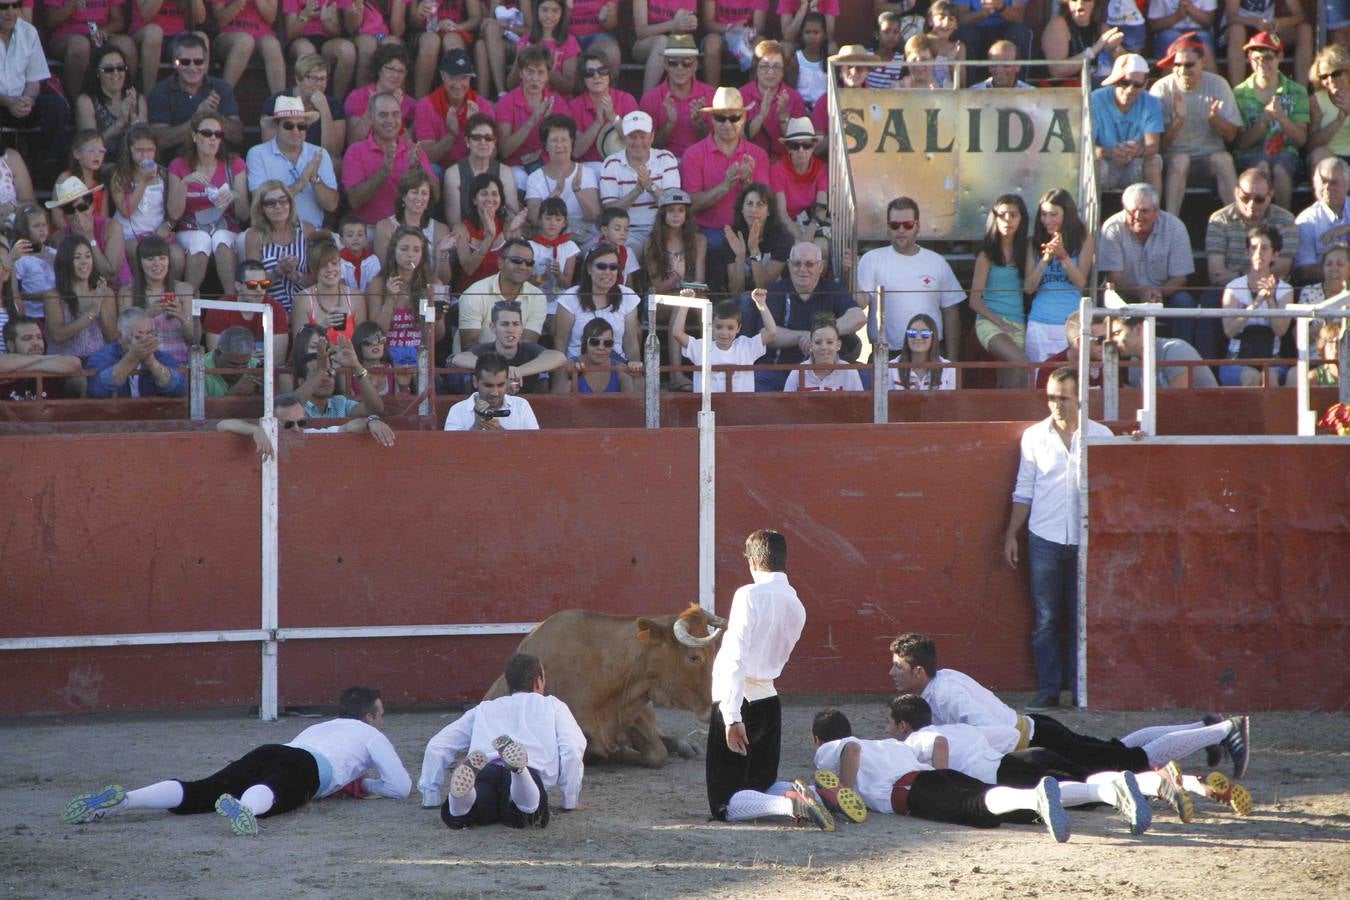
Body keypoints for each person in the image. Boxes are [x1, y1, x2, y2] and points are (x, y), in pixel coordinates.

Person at [887, 632, 1251, 779]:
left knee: (1132, 763)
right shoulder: (942, 681)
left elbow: (992, 731)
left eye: (898, 666)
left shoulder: (945, 693)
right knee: (1119, 750)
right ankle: (1206, 726)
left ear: (919, 670)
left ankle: (1224, 730)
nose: (892, 672)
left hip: (1037, 741)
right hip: (1037, 729)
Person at [62, 686, 411, 837]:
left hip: (271, 749)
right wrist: (362, 784)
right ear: (368, 716)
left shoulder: (322, 724)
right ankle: (246, 809)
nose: (383, 722)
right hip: (308, 767)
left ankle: (126, 800)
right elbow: (401, 786)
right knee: (275, 790)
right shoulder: (371, 736)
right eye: (381, 715)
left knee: (203, 790)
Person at [887, 694, 1182, 829]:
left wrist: (945, 777)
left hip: (1008, 772)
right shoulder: (957, 727)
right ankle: (1153, 782)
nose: (888, 730)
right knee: (1088, 778)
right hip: (1028, 753)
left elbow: (937, 745)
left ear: (903, 726)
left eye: (890, 725)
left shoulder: (917, 740)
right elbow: (1005, 734)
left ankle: (1137, 787)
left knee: (1073, 794)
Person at [1002, 367, 1114, 710]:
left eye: (1063, 398)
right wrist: (1011, 534)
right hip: (1044, 536)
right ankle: (1050, 689)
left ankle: (1080, 690)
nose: (1057, 405)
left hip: (1085, 539)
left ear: (1081, 397)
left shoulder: (1102, 436)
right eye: (1051, 397)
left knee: (1079, 617)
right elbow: (1024, 489)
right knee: (1048, 618)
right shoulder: (1034, 437)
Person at [809, 707, 1069, 841]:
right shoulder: (883, 744)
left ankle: (1035, 799)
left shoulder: (830, 749)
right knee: (992, 799)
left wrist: (843, 793)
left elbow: (851, 750)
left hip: (910, 788)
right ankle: (1038, 803)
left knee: (975, 805)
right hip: (937, 775)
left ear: (817, 739)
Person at [706, 529, 807, 822]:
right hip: (769, 700)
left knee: (725, 802)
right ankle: (814, 793)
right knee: (761, 783)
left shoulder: (747, 595)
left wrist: (732, 716)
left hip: (739, 700)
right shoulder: (796, 605)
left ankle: (789, 806)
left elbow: (736, 658)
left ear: (752, 561)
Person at [418, 653, 585, 828]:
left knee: (474, 806)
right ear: (538, 681)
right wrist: (570, 799)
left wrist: (431, 794)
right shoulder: (553, 705)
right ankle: (518, 771)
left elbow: (437, 746)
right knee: (527, 813)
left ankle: (460, 803)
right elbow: (573, 748)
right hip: (532, 771)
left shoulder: (485, 708)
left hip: (486, 769)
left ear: (508, 682)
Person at [741, 241, 865, 392]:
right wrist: (803, 336)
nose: (802, 269)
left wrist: (819, 334)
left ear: (820, 266)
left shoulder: (833, 289)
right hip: (779, 369)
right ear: (788, 265)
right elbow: (766, 334)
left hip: (827, 372)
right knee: (756, 382)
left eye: (809, 264)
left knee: (865, 377)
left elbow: (858, 317)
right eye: (796, 263)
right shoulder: (776, 291)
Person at [1202, 167, 1297, 359]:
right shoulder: (1219, 220)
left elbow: (1283, 267)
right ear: (1236, 192)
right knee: (1208, 303)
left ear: (1270, 195)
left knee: (1290, 299)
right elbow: (1216, 273)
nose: (1251, 204)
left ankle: (1288, 363)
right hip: (1230, 287)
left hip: (1275, 285)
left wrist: (1258, 282)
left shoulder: (1286, 219)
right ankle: (1208, 368)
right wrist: (1249, 277)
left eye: (1259, 199)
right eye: (1245, 197)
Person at [856, 196, 965, 362]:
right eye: (894, 225)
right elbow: (860, 303)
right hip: (884, 354)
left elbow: (951, 313)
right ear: (887, 228)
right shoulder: (870, 259)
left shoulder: (937, 262)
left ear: (917, 226)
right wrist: (849, 272)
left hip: (932, 354)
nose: (901, 230)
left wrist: (952, 361)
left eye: (907, 225)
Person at [1097, 182, 1199, 349]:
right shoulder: (1112, 227)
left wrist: (1159, 293)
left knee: (1185, 302)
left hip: (1164, 293)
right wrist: (1140, 291)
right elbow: (1113, 278)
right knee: (1108, 301)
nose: (1138, 216)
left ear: (1156, 211)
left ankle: (1181, 354)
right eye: (1132, 211)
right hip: (1125, 293)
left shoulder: (1175, 227)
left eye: (1144, 211)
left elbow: (1180, 277)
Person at [1150, 31, 1241, 216]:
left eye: (1189, 64)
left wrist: (1215, 119)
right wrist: (1178, 120)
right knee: (1180, 160)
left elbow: (1231, 137)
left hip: (1209, 160)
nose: (1183, 70)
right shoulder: (1161, 89)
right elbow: (1161, 146)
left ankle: (1238, 223)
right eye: (1177, 65)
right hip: (1174, 161)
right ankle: (1170, 222)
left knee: (1224, 159)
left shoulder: (1218, 84)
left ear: (1202, 63)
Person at [167, 108, 250, 293]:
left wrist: (236, 196)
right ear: (195, 136)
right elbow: (174, 214)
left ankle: (231, 298)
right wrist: (184, 183)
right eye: (207, 133)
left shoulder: (234, 164)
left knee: (220, 238)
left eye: (218, 134)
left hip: (226, 228)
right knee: (201, 239)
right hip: (190, 229)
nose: (213, 138)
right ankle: (189, 300)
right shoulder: (179, 165)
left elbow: (243, 214)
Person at [682, 87, 771, 255]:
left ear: (744, 118)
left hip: (750, 231)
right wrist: (725, 186)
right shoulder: (693, 154)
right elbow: (690, 205)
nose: (727, 124)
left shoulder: (758, 155)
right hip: (708, 232)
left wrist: (748, 184)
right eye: (721, 118)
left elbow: (765, 206)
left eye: (734, 117)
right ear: (712, 119)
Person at [1231, 32, 1309, 212]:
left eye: (1268, 58)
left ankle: (1282, 224)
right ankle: (1256, 223)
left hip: (1287, 155)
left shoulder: (1297, 91)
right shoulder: (1238, 93)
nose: (1262, 64)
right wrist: (1263, 122)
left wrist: (1282, 118)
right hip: (1250, 155)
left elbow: (1301, 140)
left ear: (1280, 57)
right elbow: (1238, 143)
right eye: (1256, 58)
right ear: (1249, 58)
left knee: (1280, 169)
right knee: (1262, 167)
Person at [343, 92, 438, 226]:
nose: (390, 120)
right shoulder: (356, 151)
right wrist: (384, 172)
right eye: (383, 115)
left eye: (395, 114)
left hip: (409, 229)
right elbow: (354, 200)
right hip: (371, 229)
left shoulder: (412, 148)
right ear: (370, 118)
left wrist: (416, 169)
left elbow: (436, 196)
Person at [247, 95, 340, 232]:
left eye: (301, 126)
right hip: (270, 234)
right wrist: (301, 183)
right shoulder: (257, 154)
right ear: (276, 127)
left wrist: (315, 179)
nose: (296, 131)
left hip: (313, 234)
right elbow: (260, 203)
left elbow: (331, 205)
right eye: (288, 125)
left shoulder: (320, 153)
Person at [0, 0, 71, 173]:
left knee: (55, 106)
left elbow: (35, 79)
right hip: (2, 103)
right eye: (3, 7)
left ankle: (51, 168)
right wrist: (9, 102)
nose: (11, 12)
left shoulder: (28, 32)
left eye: (15, 6)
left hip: (22, 100)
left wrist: (29, 99)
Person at [1024, 188, 1094, 364]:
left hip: (1070, 324)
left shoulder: (1084, 239)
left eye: (1053, 215)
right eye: (1044, 214)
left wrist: (1063, 256)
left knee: (1068, 381)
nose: (1047, 220)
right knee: (1037, 380)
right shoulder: (1033, 243)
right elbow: (1028, 288)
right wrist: (1046, 259)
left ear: (1066, 214)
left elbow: (1081, 284)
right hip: (1039, 322)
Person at [148, 33, 244, 159]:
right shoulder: (161, 91)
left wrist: (215, 117)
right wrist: (198, 118)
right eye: (185, 62)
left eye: (198, 62)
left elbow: (237, 136)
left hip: (218, 161)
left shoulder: (221, 88)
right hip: (177, 165)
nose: (192, 67)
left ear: (206, 63)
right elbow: (159, 140)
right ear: (174, 63)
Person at [1219, 224, 1292, 387]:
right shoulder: (1233, 287)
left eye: (1264, 248)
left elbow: (1280, 330)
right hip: (1236, 361)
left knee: (1270, 377)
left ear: (1275, 255)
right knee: (1251, 376)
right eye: (1253, 248)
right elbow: (1229, 330)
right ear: (1247, 253)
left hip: (1273, 360)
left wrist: (1270, 299)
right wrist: (1257, 302)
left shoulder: (1286, 290)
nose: (1258, 253)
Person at [969, 194, 1029, 389]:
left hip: (1018, 323)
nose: (1007, 220)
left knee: (1012, 378)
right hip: (991, 323)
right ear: (994, 218)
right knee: (1021, 362)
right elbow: (974, 301)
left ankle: (1009, 418)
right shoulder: (986, 255)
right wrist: (1000, 323)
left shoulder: (1026, 251)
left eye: (1013, 215)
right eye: (1002, 214)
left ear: (1022, 219)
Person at [365, 225, 447, 368]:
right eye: (404, 249)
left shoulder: (434, 284)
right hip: (387, 357)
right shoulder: (378, 284)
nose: (410, 254)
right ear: (393, 251)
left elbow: (438, 337)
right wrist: (390, 300)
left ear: (422, 254)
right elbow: (375, 335)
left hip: (421, 357)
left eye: (416, 250)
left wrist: (433, 313)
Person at [599, 111, 681, 251]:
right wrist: (636, 191)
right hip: (627, 232)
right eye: (632, 137)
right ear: (624, 138)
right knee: (631, 252)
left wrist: (650, 186)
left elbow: (673, 206)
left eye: (643, 136)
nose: (638, 142)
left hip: (662, 229)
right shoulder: (611, 163)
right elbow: (610, 211)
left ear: (652, 137)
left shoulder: (666, 158)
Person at [218, 391, 397, 454]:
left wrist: (371, 421)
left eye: (301, 423)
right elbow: (222, 425)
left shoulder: (313, 436)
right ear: (272, 424)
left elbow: (348, 427)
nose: (297, 429)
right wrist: (255, 431)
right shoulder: (264, 437)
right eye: (288, 424)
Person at [116, 236, 200, 369]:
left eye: (162, 258)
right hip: (141, 365)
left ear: (169, 261)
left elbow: (194, 338)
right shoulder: (127, 293)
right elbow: (123, 340)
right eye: (150, 259)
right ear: (140, 263)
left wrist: (182, 317)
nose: (157, 264)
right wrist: (146, 314)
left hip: (178, 364)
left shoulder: (184, 289)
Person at [672, 291, 777, 394]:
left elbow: (771, 332)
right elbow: (677, 333)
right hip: (708, 410)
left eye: (730, 328)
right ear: (710, 326)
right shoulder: (702, 347)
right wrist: (685, 303)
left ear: (738, 328)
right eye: (718, 327)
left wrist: (761, 303)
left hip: (741, 409)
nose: (724, 332)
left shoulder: (746, 347)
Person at [453, 299, 565, 394]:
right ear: (493, 327)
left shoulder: (528, 348)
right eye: (504, 324)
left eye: (516, 324)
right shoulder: (485, 349)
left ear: (521, 327)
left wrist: (518, 371)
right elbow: (458, 358)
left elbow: (558, 357)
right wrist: (504, 371)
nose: (511, 330)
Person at [1090, 54, 1164, 197]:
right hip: (1105, 163)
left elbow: (1153, 146)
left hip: (1134, 163)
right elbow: (1086, 147)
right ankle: (1090, 218)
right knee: (1094, 164)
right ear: (1115, 80)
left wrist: (1136, 152)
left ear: (1145, 84)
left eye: (1137, 85)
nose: (1130, 89)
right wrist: (1112, 152)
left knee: (1154, 161)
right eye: (1125, 82)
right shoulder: (1095, 99)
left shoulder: (1151, 102)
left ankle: (1155, 215)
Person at [414, 48, 496, 173]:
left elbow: (493, 154)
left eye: (463, 78)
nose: (458, 85)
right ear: (442, 75)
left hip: (473, 167)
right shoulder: (426, 105)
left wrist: (474, 130)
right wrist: (452, 135)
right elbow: (427, 158)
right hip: (441, 168)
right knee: (431, 170)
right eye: (452, 77)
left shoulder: (483, 106)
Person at [523, 114, 600, 246]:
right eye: (554, 140)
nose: (559, 145)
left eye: (564, 140)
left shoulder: (586, 173)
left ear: (572, 143)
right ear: (546, 145)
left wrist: (578, 192)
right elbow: (534, 220)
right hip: (549, 238)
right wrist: (554, 194)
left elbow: (593, 216)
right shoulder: (534, 178)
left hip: (582, 237)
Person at [637, 34, 715, 160]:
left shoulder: (711, 94)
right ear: (665, 65)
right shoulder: (651, 98)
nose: (680, 68)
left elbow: (719, 144)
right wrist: (669, 124)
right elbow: (646, 148)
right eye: (673, 62)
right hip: (663, 162)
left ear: (695, 65)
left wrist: (700, 123)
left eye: (687, 62)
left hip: (701, 159)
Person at [459, 238, 547, 347]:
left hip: (518, 362)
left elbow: (528, 344)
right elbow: (469, 346)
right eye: (516, 260)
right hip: (476, 362)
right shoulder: (475, 293)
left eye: (529, 263)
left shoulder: (538, 297)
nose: (523, 267)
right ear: (500, 262)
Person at [43, 235, 117, 364]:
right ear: (65, 261)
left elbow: (112, 336)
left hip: (99, 362)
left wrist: (99, 300)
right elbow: (58, 335)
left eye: (88, 256)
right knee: (81, 383)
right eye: (77, 257)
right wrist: (91, 314)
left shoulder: (106, 293)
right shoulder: (53, 296)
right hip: (65, 364)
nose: (84, 262)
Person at [373, 168, 454, 284]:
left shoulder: (440, 229)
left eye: (424, 193)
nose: (419, 198)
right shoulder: (385, 227)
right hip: (395, 287)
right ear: (403, 196)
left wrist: (443, 256)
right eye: (414, 192)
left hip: (427, 290)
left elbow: (443, 281)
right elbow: (385, 271)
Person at [86, 307, 188, 398]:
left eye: (150, 334)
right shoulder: (102, 357)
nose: (145, 340)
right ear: (120, 336)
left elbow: (180, 389)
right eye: (138, 336)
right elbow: (96, 390)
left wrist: (152, 362)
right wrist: (131, 359)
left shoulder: (161, 356)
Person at [495, 45, 560, 187]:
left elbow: (568, 146)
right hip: (515, 165)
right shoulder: (507, 102)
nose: (534, 78)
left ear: (548, 76)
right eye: (529, 72)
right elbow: (504, 150)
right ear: (520, 73)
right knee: (520, 179)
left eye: (540, 72)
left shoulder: (556, 102)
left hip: (546, 163)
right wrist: (533, 120)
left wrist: (549, 129)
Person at [202, 260, 291, 362]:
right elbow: (216, 357)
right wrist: (247, 358)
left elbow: (278, 360)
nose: (259, 289)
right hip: (228, 373)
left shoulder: (275, 308)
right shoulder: (220, 308)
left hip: (264, 372)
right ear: (238, 286)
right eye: (252, 285)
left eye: (264, 284)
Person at [245, 181, 313, 314]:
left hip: (305, 307)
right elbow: (252, 285)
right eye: (270, 203)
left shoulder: (307, 230)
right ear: (261, 209)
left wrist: (294, 275)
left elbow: (318, 279)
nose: (278, 206)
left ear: (290, 203)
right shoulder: (254, 236)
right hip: (270, 308)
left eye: (283, 201)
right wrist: (277, 271)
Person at [454, 172, 528, 293]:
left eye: (495, 194)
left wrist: (515, 236)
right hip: (470, 295)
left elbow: (517, 268)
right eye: (484, 194)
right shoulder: (461, 229)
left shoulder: (507, 226)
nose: (490, 199)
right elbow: (469, 269)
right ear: (474, 199)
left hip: (500, 295)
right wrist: (489, 237)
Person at [442, 112, 519, 227]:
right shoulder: (453, 174)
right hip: (465, 235)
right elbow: (454, 223)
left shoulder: (505, 172)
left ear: (494, 143)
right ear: (467, 141)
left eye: (488, 138)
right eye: (476, 138)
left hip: (500, 232)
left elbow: (512, 216)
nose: (483, 142)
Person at [292, 231, 367, 346]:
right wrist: (321, 328)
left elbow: (363, 344)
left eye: (334, 263)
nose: (330, 269)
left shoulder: (355, 296)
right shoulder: (303, 299)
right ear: (313, 269)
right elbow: (299, 347)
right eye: (323, 265)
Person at [566, 50, 637, 169]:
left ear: (609, 74)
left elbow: (636, 143)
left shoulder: (626, 99)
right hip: (589, 167)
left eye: (602, 71)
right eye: (589, 73)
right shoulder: (574, 106)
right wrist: (597, 123)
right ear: (583, 78)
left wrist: (613, 117)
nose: (596, 76)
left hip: (623, 165)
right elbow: (576, 152)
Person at [720, 183, 791, 297]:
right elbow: (735, 292)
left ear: (769, 211)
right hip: (743, 301)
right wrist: (740, 258)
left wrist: (754, 251)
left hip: (773, 300)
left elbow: (764, 287)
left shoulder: (783, 238)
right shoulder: (733, 237)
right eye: (749, 204)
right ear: (742, 209)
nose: (753, 210)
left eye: (760, 204)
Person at [1109, 315, 1219, 388]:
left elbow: (1180, 399)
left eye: (1117, 333)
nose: (1112, 340)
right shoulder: (1134, 363)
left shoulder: (1176, 349)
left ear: (1138, 329)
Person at [293, 332, 386, 419]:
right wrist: (321, 370)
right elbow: (291, 405)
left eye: (329, 372)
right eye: (316, 372)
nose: (325, 378)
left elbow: (375, 409)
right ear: (301, 382)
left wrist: (357, 366)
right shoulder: (298, 407)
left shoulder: (341, 403)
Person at [740, 41, 806, 160]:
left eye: (776, 66)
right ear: (756, 68)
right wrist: (761, 116)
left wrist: (783, 116)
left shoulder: (795, 98)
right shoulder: (741, 95)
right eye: (765, 66)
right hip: (749, 161)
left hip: (784, 163)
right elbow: (740, 138)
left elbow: (798, 145)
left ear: (783, 71)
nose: (770, 72)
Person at [74, 44, 147, 152]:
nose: (116, 73)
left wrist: (133, 116)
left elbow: (145, 144)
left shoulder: (138, 98)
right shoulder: (86, 101)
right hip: (101, 164)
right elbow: (89, 147)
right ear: (97, 72)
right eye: (108, 69)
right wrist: (120, 122)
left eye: (120, 68)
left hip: (133, 164)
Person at [443, 350, 541, 430]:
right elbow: (453, 451)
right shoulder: (458, 410)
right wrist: (476, 426)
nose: (495, 392)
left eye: (500, 385)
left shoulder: (521, 406)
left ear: (507, 382)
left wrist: (500, 432)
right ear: (475, 382)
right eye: (488, 385)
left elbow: (534, 447)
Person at [770, 118, 827, 250]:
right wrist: (801, 239)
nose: (801, 150)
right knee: (793, 247)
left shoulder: (822, 168)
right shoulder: (777, 169)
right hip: (786, 224)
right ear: (788, 148)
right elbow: (782, 213)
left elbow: (821, 207)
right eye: (795, 146)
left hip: (813, 222)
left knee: (822, 247)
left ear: (813, 146)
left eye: (806, 145)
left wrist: (808, 234)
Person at [409, 1, 485, 98]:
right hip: (426, 32)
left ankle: (457, 102)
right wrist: (419, 14)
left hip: (456, 30)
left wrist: (457, 27)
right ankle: (419, 102)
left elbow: (476, 18)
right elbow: (412, 22)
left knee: (452, 41)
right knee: (431, 42)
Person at [282, 0, 357, 99]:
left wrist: (326, 21)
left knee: (347, 50)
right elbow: (291, 33)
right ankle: (306, 100)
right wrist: (305, 15)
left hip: (326, 40)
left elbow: (336, 32)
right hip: (300, 39)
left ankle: (335, 102)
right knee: (307, 50)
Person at [132, 0, 208, 96]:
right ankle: (149, 96)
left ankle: (199, 96)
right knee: (154, 33)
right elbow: (146, 14)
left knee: (201, 38)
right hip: (145, 34)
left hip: (176, 36)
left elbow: (200, 19)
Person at [1293, 157, 1350, 285]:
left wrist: (1346, 228)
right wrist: (1341, 274)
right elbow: (1304, 271)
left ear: (1348, 184)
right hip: (1324, 290)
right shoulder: (1306, 221)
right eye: (1323, 182)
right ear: (1314, 184)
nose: (1327, 187)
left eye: (1334, 182)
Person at [346, 43, 416, 144]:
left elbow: (409, 145)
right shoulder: (357, 97)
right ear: (379, 69)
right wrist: (369, 113)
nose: (395, 75)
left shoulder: (411, 104)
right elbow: (353, 142)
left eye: (401, 71)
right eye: (390, 69)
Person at [1042, 0, 1127, 83]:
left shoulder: (1100, 27)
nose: (1080, 4)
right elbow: (1057, 71)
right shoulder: (1058, 25)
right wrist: (1095, 48)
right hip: (1061, 89)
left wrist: (1115, 48)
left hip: (1093, 87)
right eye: (1074, 0)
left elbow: (1127, 63)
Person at [212, 0, 286, 93]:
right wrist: (238, 3)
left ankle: (281, 101)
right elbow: (220, 21)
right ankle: (222, 97)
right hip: (228, 37)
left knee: (272, 44)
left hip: (261, 36)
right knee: (245, 41)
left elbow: (271, 18)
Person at [0, 317, 83, 400]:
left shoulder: (53, 362)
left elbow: (75, 364)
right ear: (11, 345)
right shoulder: (49, 362)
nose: (36, 343)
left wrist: (22, 366)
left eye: (39, 337)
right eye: (27, 338)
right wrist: (42, 360)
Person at [631, 0, 704, 94]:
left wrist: (686, 25)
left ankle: (689, 100)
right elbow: (640, 32)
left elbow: (681, 35)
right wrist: (673, 24)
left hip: (673, 43)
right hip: (641, 44)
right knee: (662, 42)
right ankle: (647, 101)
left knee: (686, 44)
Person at [782, 314, 864, 392]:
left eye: (829, 342)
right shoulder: (797, 372)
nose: (824, 347)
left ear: (838, 345)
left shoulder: (849, 372)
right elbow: (786, 405)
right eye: (818, 342)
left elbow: (859, 405)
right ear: (811, 346)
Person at [1034, 310, 1109, 389]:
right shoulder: (1050, 370)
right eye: (1101, 339)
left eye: (1109, 337)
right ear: (1080, 342)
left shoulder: (1111, 363)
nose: (1107, 343)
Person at [1307, 46, 1350, 170]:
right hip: (1329, 157)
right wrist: (1339, 120)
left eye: (1336, 73)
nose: (1331, 80)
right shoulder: (1316, 100)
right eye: (1324, 77)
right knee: (1319, 155)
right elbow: (1310, 145)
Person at [889, 313, 955, 391]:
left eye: (925, 334)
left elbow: (950, 402)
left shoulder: (948, 369)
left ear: (933, 337)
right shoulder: (891, 369)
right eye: (912, 333)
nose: (918, 337)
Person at [955, 0, 1033, 63]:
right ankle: (967, 82)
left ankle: (1018, 81)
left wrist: (1001, 7)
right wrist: (984, 12)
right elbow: (962, 19)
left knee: (1019, 32)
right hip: (976, 29)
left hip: (1006, 29)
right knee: (965, 32)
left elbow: (1019, 18)